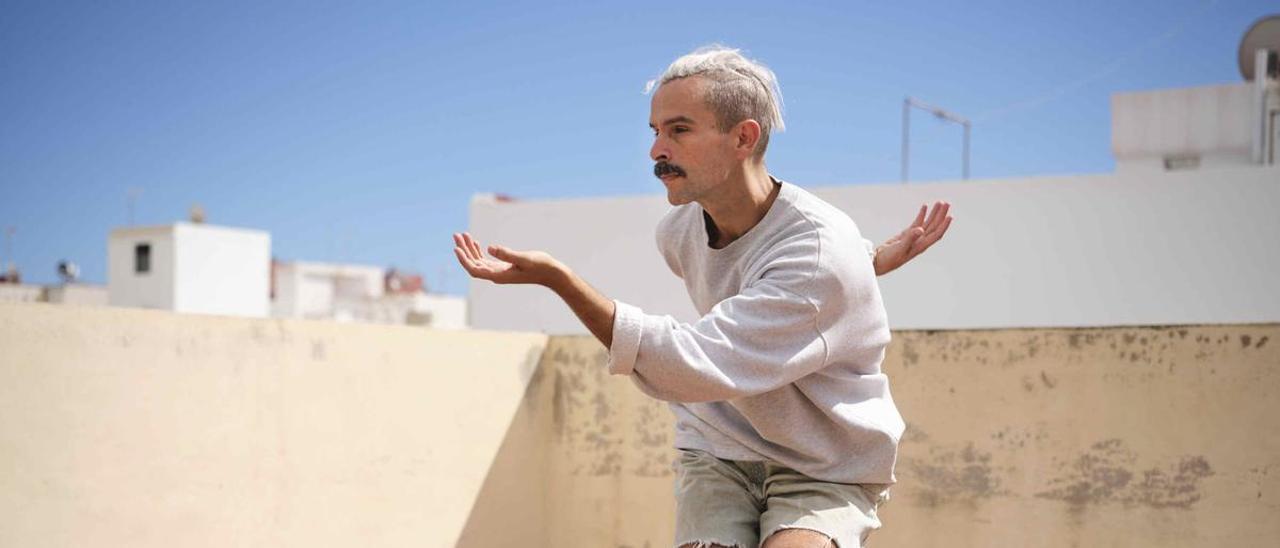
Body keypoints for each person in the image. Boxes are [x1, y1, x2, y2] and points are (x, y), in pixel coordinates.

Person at [454, 45, 951, 548]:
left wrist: (560, 280)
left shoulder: (822, 251)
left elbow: (692, 363)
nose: (656, 151)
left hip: (826, 463)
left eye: (679, 129)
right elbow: (774, 286)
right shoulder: (678, 234)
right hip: (720, 447)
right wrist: (864, 265)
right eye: (655, 131)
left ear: (743, 136)